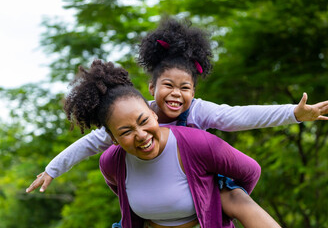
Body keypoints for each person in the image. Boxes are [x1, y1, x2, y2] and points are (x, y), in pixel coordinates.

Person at [26, 18, 328, 227]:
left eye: (184, 87)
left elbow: (240, 116)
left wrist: (293, 114)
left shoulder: (200, 113)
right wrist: (54, 169)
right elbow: (90, 142)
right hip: (158, 187)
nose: (176, 94)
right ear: (151, 88)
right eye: (167, 86)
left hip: (202, 177)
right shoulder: (133, 115)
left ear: (194, 91)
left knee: (234, 196)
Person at [64, 59, 261, 227]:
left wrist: (220, 200)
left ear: (153, 114)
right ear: (113, 138)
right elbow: (90, 149)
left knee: (236, 198)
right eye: (126, 131)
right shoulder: (112, 162)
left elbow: (249, 168)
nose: (140, 135)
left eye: (143, 122)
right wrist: (52, 170)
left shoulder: (197, 141)